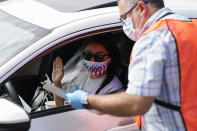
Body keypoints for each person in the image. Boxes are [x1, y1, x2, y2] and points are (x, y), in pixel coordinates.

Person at [62, 0, 197, 130]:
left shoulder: (152, 40)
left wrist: (86, 100)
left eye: (125, 17)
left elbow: (136, 103)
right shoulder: (192, 26)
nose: (125, 24)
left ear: (141, 8)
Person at [52, 35, 124, 106]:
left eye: (99, 57)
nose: (92, 60)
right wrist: (57, 83)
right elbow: (62, 105)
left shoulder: (113, 89)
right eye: (87, 55)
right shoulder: (82, 76)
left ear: (110, 59)